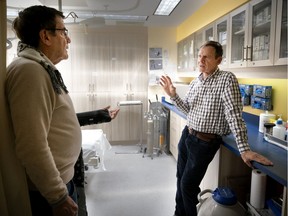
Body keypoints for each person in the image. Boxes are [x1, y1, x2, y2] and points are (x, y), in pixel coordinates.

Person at [5, 5, 119, 216]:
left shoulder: (40, 68)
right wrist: (57, 195)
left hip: (62, 180)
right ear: (45, 36)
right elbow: (32, 145)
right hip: (48, 193)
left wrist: (98, 115)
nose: (68, 39)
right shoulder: (30, 72)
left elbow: (53, 120)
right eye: (63, 31)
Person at [159, 41, 273, 216]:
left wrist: (244, 149)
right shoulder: (196, 81)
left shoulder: (227, 79)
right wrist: (173, 95)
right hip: (187, 136)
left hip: (204, 142)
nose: (201, 60)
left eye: (207, 57)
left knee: (187, 185)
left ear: (218, 60)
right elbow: (188, 110)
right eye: (199, 56)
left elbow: (234, 115)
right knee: (180, 180)